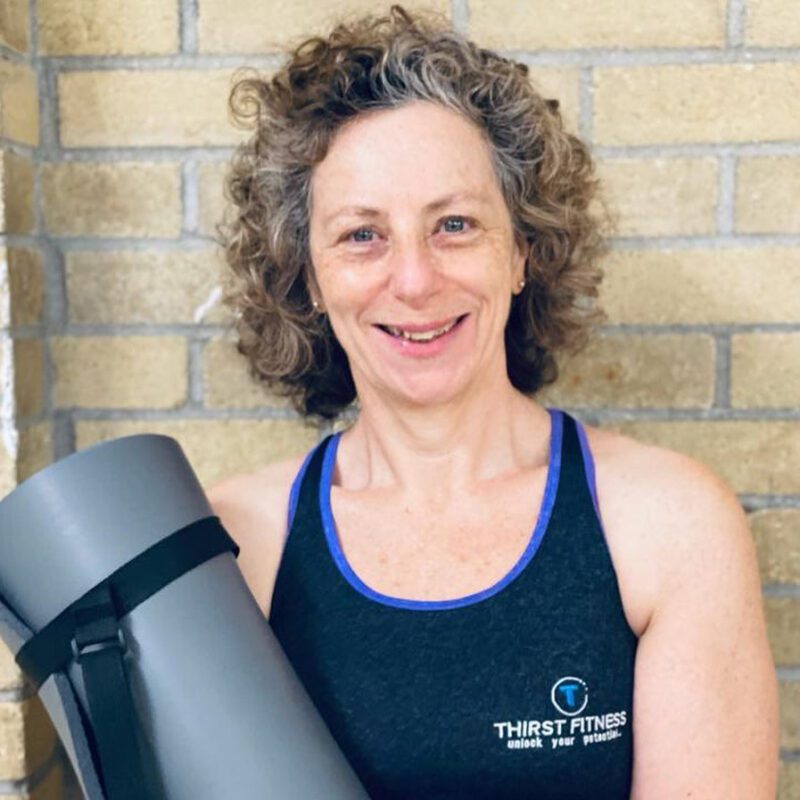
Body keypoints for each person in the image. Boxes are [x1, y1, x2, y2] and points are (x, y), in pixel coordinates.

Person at [206, 6, 779, 798]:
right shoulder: (234, 545)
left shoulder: (670, 524)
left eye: (454, 224)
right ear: (307, 277)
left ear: (521, 253)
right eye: (362, 235)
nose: (413, 280)